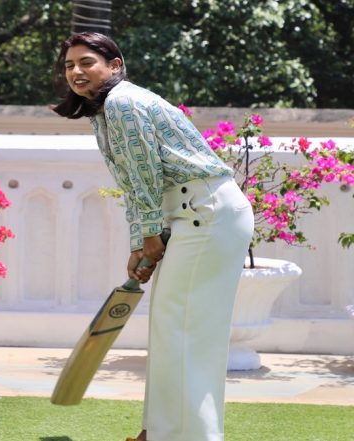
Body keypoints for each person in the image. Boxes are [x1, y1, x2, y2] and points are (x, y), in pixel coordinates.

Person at [53, 32, 254, 441]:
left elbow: (145, 177)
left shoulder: (123, 103)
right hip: (193, 215)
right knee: (175, 330)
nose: (76, 71)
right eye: (69, 65)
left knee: (184, 333)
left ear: (115, 64)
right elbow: (136, 181)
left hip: (204, 214)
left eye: (87, 62)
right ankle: (160, 431)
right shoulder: (106, 109)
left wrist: (147, 238)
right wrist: (140, 241)